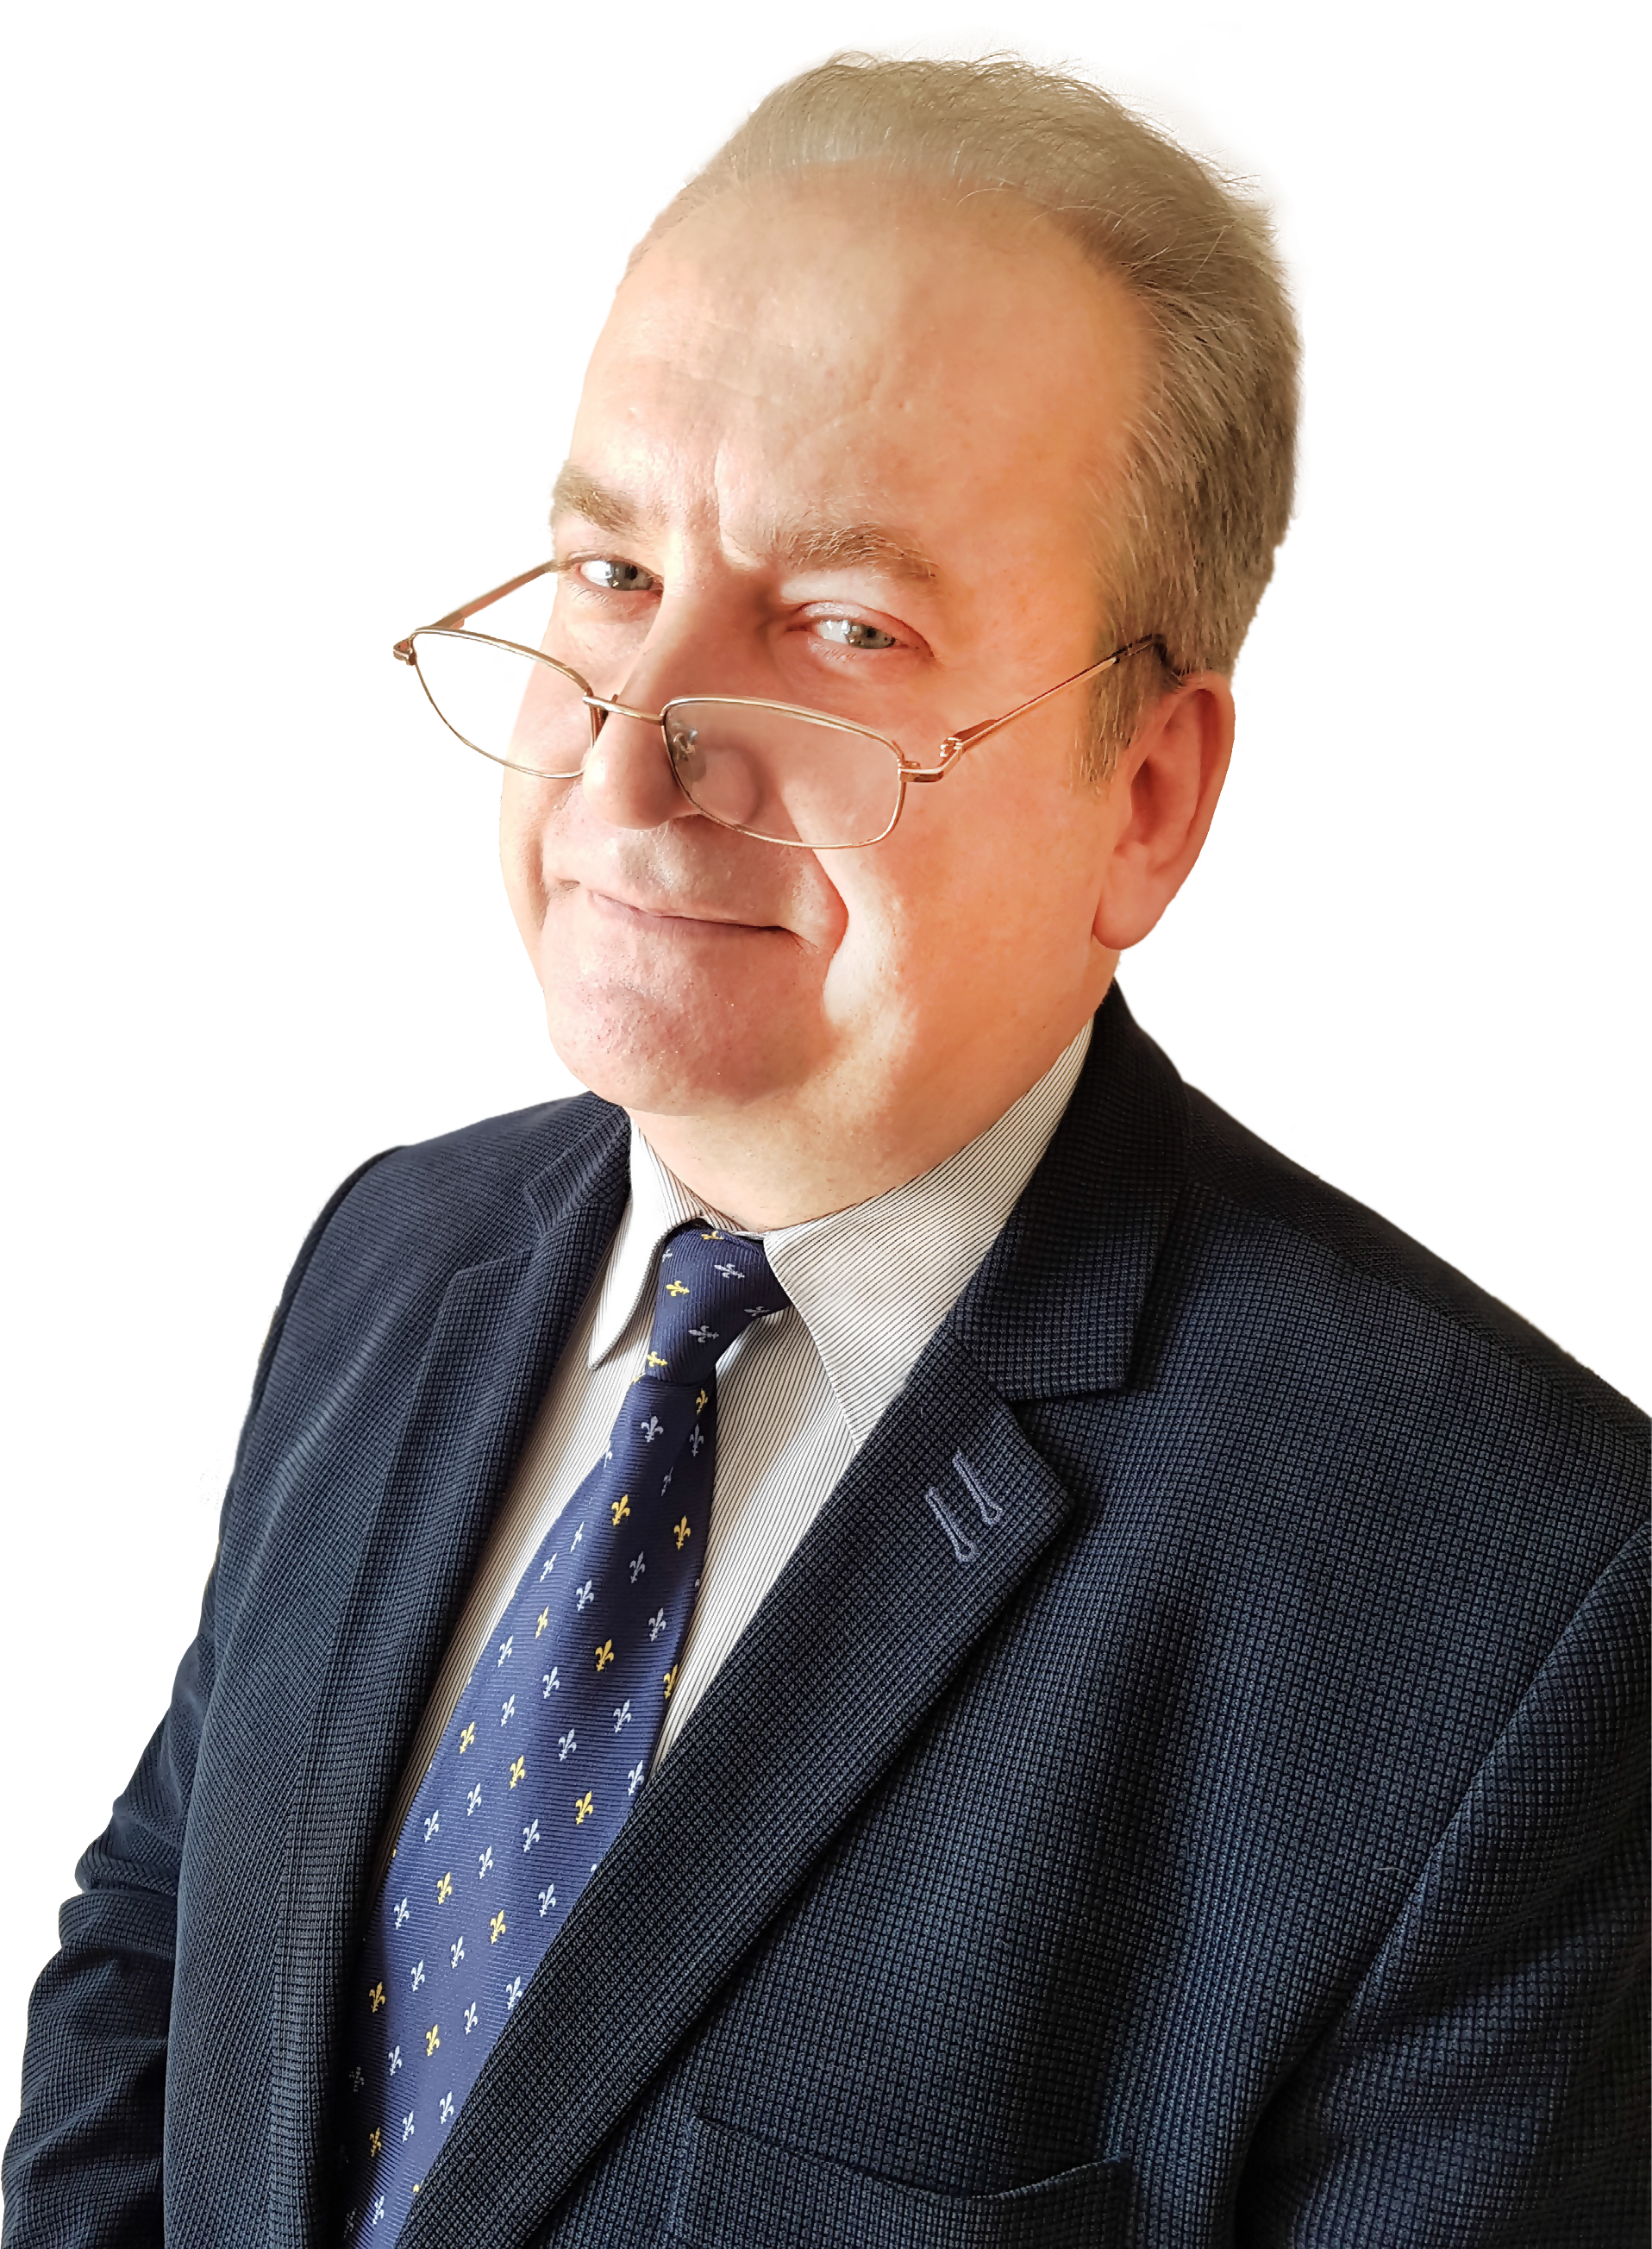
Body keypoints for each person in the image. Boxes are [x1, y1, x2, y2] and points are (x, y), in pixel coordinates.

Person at [5, 28, 1647, 2248]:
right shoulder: (391, 1254)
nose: (626, 755)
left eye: (843, 624)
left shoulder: (1510, 1614)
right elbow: (162, 1961)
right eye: (607, 571)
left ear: (1147, 790)